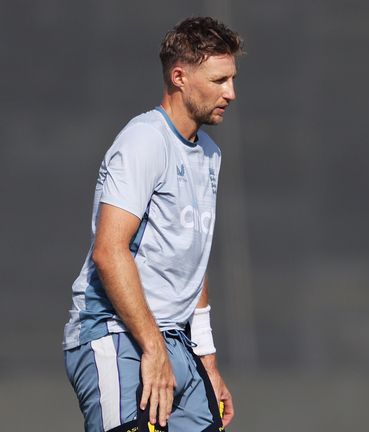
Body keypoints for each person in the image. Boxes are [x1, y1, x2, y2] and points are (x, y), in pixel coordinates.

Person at [62, 17, 242, 431]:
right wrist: (153, 347)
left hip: (175, 342)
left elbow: (191, 265)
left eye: (232, 79)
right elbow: (109, 252)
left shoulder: (210, 154)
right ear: (179, 76)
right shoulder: (145, 140)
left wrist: (208, 362)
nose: (230, 93)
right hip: (115, 333)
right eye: (219, 80)